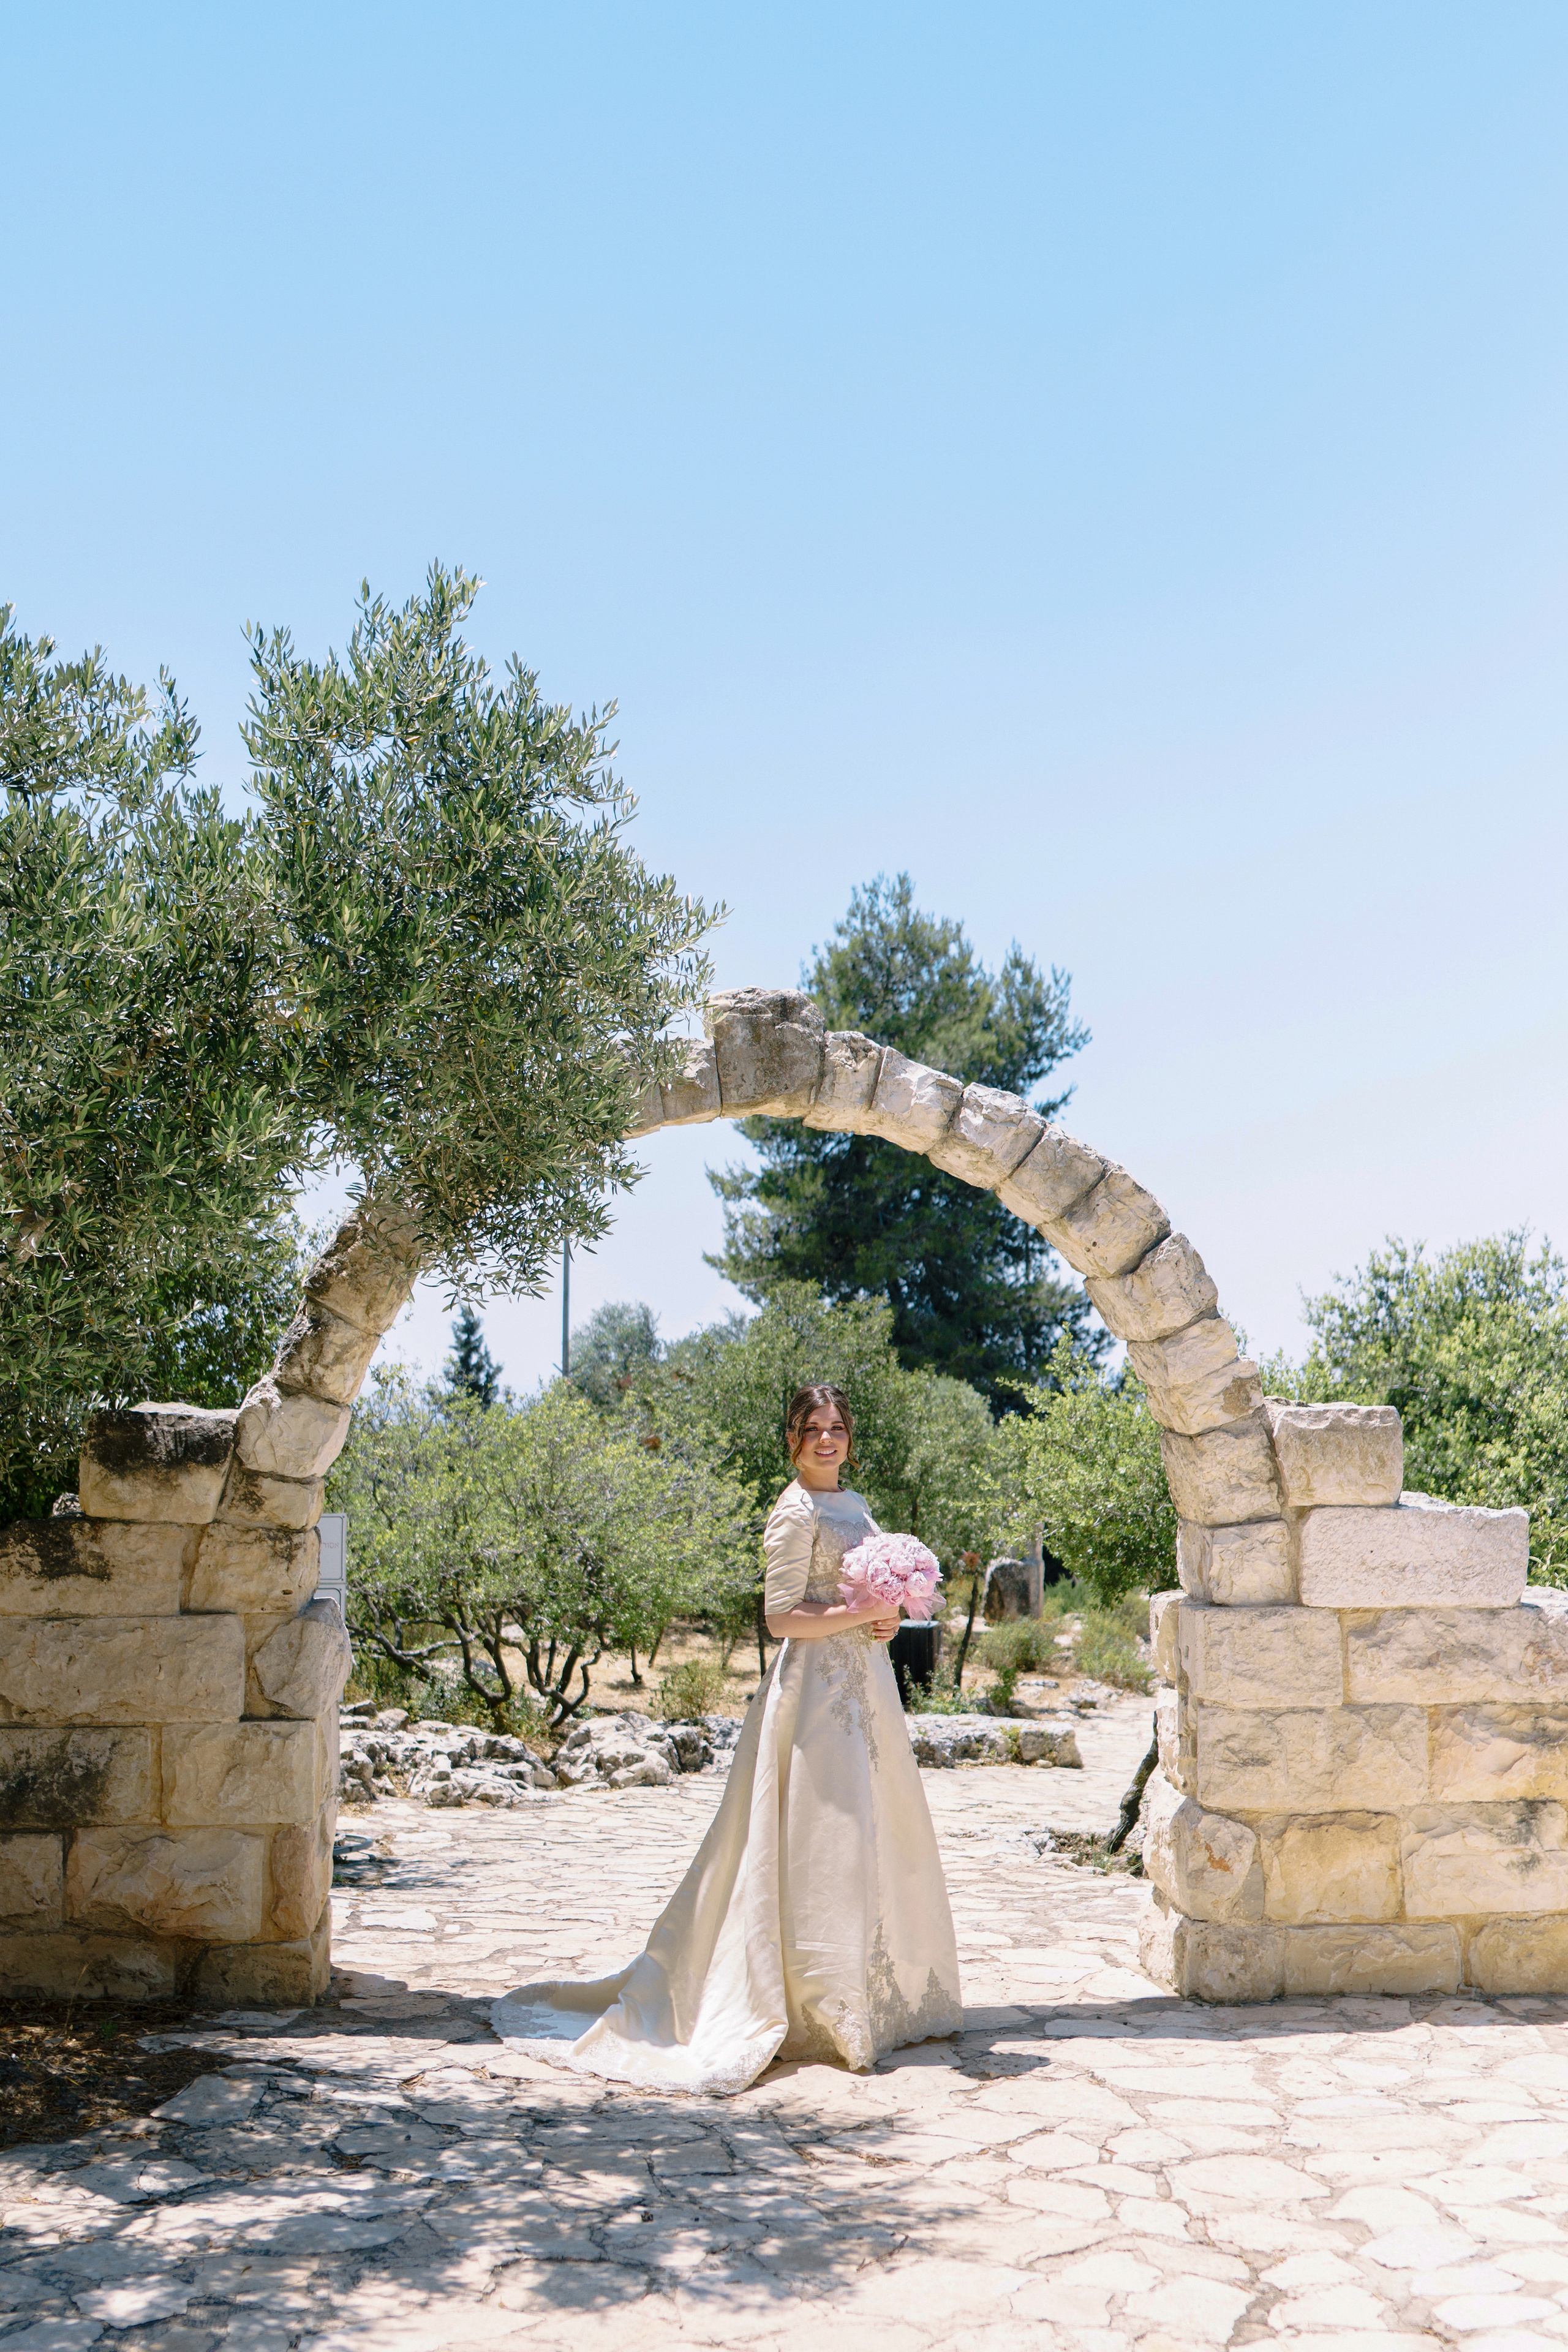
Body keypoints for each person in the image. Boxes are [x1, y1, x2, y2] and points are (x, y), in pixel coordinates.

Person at [492, 1382, 962, 2095]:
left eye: (837, 1428)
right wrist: (853, 1610)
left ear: (850, 1438)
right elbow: (781, 1619)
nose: (827, 1439)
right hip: (812, 1698)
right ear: (792, 1439)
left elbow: (860, 1606)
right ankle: (804, 2005)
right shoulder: (792, 1511)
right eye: (812, 1429)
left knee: (868, 1830)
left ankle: (862, 1993)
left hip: (863, 1687)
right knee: (815, 1835)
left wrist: (887, 1619)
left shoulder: (856, 1506)